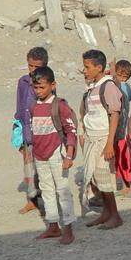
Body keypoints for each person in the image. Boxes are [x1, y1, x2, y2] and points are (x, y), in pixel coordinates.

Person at [28, 66, 78, 245]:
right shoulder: (33, 105)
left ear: (53, 85)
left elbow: (71, 131)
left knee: (62, 190)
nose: (39, 91)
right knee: (47, 190)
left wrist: (69, 155)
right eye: (36, 87)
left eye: (42, 87)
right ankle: (53, 225)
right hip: (39, 155)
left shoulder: (60, 105)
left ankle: (68, 228)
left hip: (57, 153)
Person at [80, 49, 124, 230]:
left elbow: (114, 114)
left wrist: (109, 144)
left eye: (87, 67)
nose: (84, 70)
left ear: (99, 68)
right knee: (97, 177)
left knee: (104, 176)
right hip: (92, 139)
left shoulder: (108, 86)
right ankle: (106, 213)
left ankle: (115, 215)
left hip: (103, 139)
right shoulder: (92, 87)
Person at [15, 47, 47, 215]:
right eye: (30, 66)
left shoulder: (47, 83)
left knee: (44, 169)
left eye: (37, 67)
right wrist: (17, 129)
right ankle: (32, 201)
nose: (33, 70)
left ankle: (48, 202)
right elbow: (19, 107)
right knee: (28, 169)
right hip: (27, 134)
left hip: (43, 133)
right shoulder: (23, 82)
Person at [112, 60, 131, 198]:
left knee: (126, 160)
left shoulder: (124, 87)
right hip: (119, 130)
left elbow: (119, 92)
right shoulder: (121, 85)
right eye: (119, 75)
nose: (122, 78)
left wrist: (113, 75)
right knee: (123, 160)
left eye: (124, 76)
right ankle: (126, 186)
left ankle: (130, 187)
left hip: (123, 131)